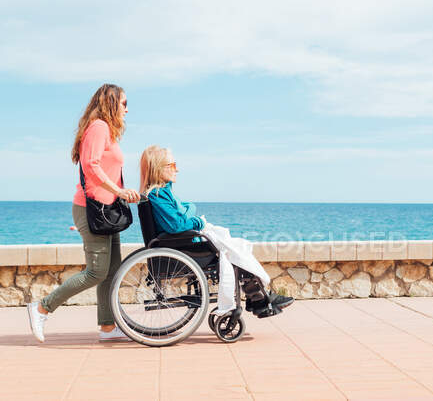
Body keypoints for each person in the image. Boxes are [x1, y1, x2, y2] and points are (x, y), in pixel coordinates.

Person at [27, 84, 140, 343]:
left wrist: (121, 194)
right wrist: (120, 192)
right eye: (123, 103)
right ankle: (42, 307)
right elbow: (91, 165)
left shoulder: (107, 131)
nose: (126, 109)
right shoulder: (99, 127)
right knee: (96, 272)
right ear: (111, 103)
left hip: (107, 210)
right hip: (93, 210)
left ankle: (108, 327)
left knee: (112, 270)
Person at [139, 145, 294, 317]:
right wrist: (196, 220)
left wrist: (188, 210)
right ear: (159, 168)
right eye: (173, 166)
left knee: (235, 249)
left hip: (179, 244)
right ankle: (259, 299)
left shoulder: (162, 193)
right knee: (233, 251)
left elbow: (184, 213)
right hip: (179, 248)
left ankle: (258, 298)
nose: (178, 170)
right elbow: (177, 225)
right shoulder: (158, 194)